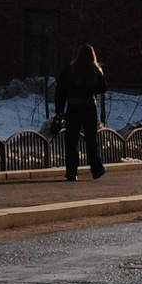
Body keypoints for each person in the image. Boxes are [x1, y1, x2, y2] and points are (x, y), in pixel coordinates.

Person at [53, 44, 106, 181]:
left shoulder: (70, 70)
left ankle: (72, 171)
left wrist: (59, 110)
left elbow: (61, 90)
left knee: (71, 140)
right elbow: (103, 87)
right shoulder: (95, 70)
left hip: (73, 107)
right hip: (89, 107)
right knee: (91, 139)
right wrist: (90, 89)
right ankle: (96, 168)